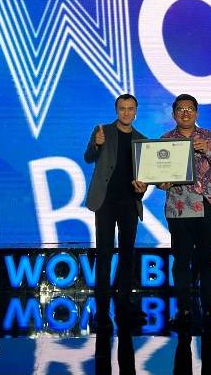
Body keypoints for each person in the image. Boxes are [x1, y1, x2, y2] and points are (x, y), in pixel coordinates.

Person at [158, 94, 211, 331]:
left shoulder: (210, 137)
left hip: (207, 206)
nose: (185, 113)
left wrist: (209, 151)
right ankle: (184, 310)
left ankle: (210, 310)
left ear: (196, 113)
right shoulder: (166, 140)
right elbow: (158, 177)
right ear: (174, 114)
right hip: (179, 208)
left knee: (207, 259)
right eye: (180, 109)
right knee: (181, 261)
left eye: (190, 109)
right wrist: (162, 183)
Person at [84, 94, 148, 327]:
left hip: (129, 202)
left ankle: (124, 303)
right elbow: (88, 157)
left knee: (128, 254)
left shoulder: (142, 140)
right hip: (105, 202)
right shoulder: (102, 131)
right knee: (104, 253)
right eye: (122, 108)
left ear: (136, 112)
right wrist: (96, 144)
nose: (126, 112)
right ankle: (101, 308)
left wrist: (143, 188)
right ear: (116, 110)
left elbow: (145, 176)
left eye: (130, 108)